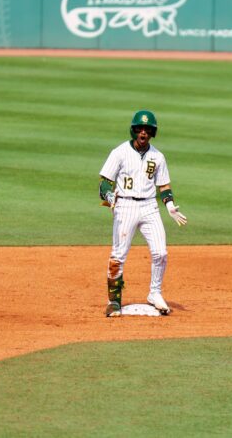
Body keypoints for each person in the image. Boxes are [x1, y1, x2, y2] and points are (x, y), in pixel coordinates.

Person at [98, 110, 188, 317]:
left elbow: (164, 186)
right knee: (118, 256)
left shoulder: (158, 156)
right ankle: (113, 301)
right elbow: (104, 182)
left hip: (149, 207)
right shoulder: (119, 152)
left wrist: (170, 206)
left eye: (147, 129)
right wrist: (109, 196)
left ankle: (154, 293)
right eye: (140, 128)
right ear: (133, 130)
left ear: (152, 132)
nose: (143, 133)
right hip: (125, 207)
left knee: (161, 252)